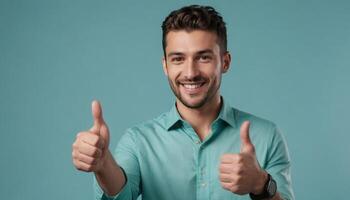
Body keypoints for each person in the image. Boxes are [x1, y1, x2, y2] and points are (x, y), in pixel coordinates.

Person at [72, 5, 294, 200]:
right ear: (165, 66)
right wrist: (102, 166)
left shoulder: (266, 136)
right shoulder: (138, 141)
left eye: (203, 57)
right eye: (178, 58)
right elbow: (121, 196)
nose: (190, 72)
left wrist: (261, 185)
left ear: (225, 62)